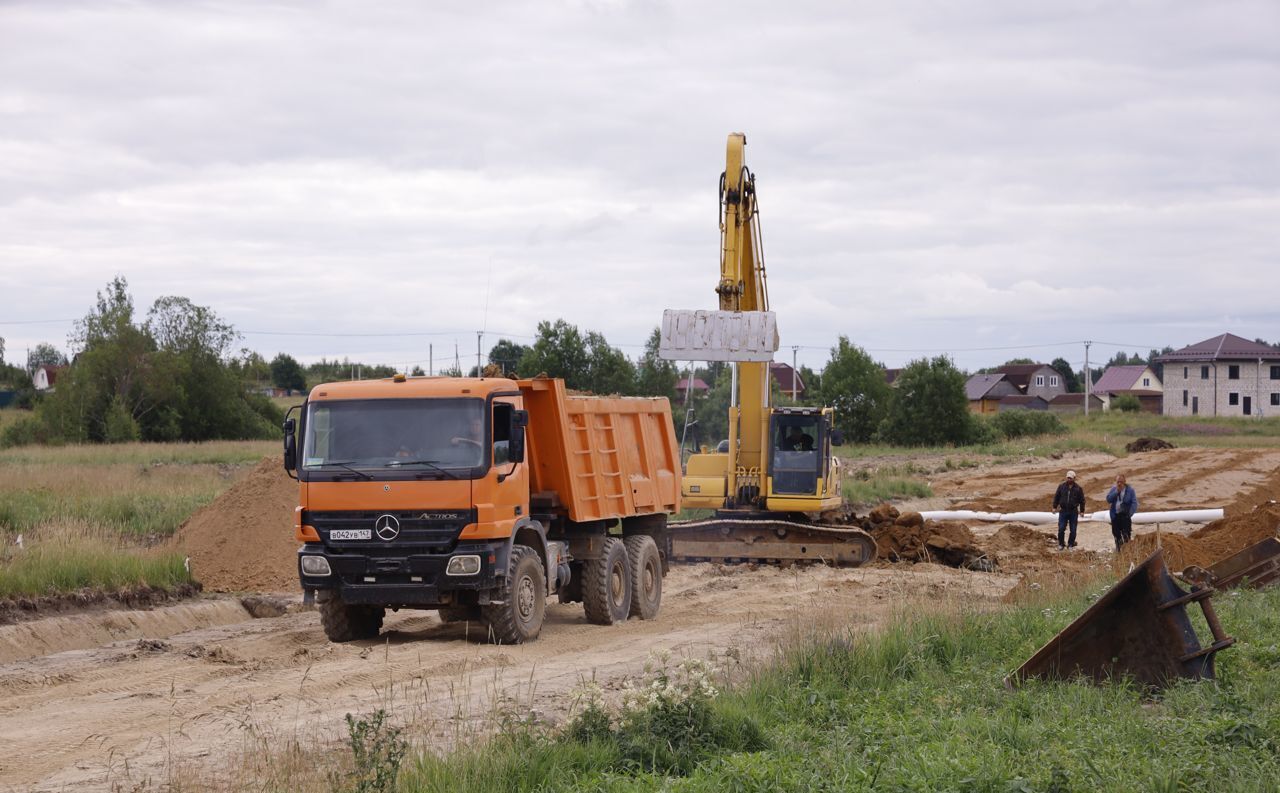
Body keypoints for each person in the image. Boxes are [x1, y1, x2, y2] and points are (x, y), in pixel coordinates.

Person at [1051, 470, 1086, 550]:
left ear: (1074, 478)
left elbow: (1082, 500)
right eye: (1068, 478)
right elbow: (1057, 497)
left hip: (1073, 511)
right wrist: (1054, 507)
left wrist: (1082, 511)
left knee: (1073, 529)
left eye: (1070, 478)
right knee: (1061, 528)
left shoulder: (1078, 488)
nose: (1069, 479)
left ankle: (1070, 544)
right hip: (1063, 511)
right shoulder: (1061, 486)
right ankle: (1061, 544)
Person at [1106, 474, 1138, 550]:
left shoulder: (1130, 490)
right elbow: (1108, 499)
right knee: (1116, 534)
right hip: (1115, 516)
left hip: (1125, 516)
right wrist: (1116, 492)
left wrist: (1129, 514)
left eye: (1121, 482)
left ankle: (1127, 551)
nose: (1119, 484)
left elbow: (1134, 503)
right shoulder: (1114, 489)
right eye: (1118, 482)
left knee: (1126, 534)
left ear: (1124, 482)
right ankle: (1119, 550)